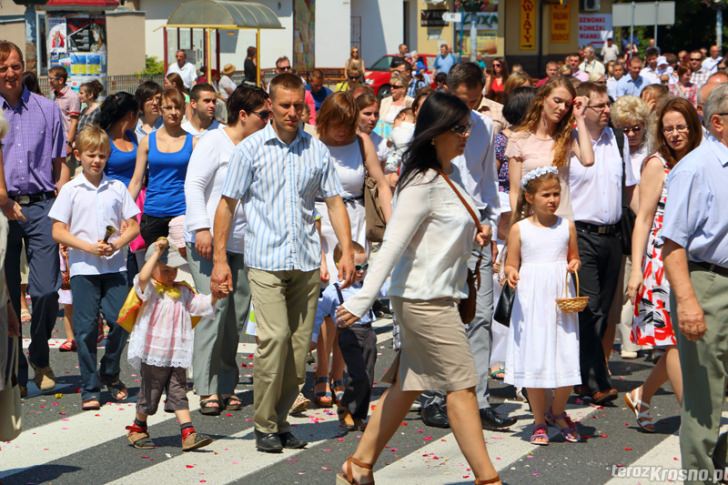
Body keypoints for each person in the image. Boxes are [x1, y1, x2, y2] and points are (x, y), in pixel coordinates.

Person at [335, 91, 501, 485]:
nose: (465, 135)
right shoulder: (420, 183)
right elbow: (393, 244)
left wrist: (476, 235)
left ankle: (358, 466)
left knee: (408, 386)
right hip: (422, 300)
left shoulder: (454, 175)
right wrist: (361, 299)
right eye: (458, 128)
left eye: (467, 127)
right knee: (462, 385)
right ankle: (488, 479)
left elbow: (443, 232)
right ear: (434, 133)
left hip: (441, 295)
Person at [211, 73, 355, 453]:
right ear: (270, 107)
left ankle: (280, 419)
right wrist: (220, 259)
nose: (293, 112)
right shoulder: (251, 149)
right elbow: (227, 205)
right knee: (273, 339)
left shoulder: (316, 150)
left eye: (298, 106)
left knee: (296, 347)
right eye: (285, 105)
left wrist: (346, 248)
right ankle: (264, 424)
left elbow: (335, 201)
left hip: (305, 259)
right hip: (265, 259)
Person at [417, 63, 515, 432]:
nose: (468, 110)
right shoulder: (431, 124)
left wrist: (491, 222)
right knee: (441, 316)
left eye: (474, 101)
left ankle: (480, 398)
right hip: (440, 231)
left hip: (477, 231)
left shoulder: (485, 128)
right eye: (462, 101)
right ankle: (434, 395)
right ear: (447, 90)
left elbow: (488, 180)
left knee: (480, 316)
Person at [184, 85, 269, 416]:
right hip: (208, 243)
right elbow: (193, 185)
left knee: (234, 315)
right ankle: (206, 386)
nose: (268, 119)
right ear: (243, 115)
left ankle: (226, 382)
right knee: (213, 310)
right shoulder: (213, 142)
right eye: (264, 114)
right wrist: (200, 227)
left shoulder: (258, 145)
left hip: (244, 243)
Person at [659, 84, 728, 483]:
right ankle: (699, 478)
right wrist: (687, 301)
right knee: (704, 400)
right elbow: (674, 245)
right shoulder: (695, 168)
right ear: (717, 123)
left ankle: (718, 458)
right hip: (706, 282)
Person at [49, 126, 140, 410]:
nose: (96, 161)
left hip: (114, 267)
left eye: (102, 155)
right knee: (86, 329)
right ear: (78, 155)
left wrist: (118, 242)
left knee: (123, 321)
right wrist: (87, 247)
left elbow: (134, 224)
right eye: (91, 155)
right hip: (83, 268)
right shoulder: (71, 190)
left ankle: (109, 370)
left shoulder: (116, 188)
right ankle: (90, 388)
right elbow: (58, 231)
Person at [624, 97, 701, 433]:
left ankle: (642, 394)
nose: (674, 134)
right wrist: (637, 269)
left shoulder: (702, 160)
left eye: (680, 127)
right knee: (673, 341)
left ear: (693, 127)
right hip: (660, 259)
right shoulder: (656, 164)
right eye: (668, 128)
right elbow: (642, 219)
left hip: (695, 257)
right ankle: (695, 422)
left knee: (685, 339)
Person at [314, 92, 393, 406]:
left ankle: (338, 373)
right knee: (325, 307)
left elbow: (381, 183)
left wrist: (394, 226)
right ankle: (321, 373)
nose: (343, 132)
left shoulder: (362, 143)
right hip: (320, 224)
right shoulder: (313, 144)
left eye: (348, 124)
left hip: (355, 223)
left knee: (349, 302)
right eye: (337, 125)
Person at [0, 41, 70, 396]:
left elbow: (61, 164)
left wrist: (65, 207)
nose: (11, 73)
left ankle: (39, 354)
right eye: (3, 68)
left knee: (45, 290)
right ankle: (16, 369)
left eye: (15, 66)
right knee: (9, 294)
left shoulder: (46, 109)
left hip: (42, 205)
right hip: (2, 209)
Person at [568, 82, 638, 404]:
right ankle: (595, 379)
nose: (607, 110)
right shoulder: (569, 140)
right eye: (600, 106)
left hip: (612, 235)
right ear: (583, 108)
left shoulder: (618, 138)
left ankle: (583, 376)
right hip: (581, 234)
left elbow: (627, 190)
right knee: (590, 308)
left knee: (605, 311)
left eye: (608, 104)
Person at [504, 166, 582, 445]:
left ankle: (558, 410)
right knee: (535, 358)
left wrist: (574, 263)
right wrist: (511, 272)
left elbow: (574, 256)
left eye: (556, 194)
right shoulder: (520, 229)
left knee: (567, 355)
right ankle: (539, 420)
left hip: (560, 296)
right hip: (532, 298)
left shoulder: (567, 226)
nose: (552, 200)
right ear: (530, 197)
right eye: (546, 194)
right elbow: (512, 262)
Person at [124, 238, 215, 451]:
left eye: (174, 270)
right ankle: (138, 427)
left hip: (177, 353)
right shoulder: (149, 290)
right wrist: (156, 253)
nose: (171, 274)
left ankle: (188, 432)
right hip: (154, 351)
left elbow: (199, 305)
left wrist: (216, 296)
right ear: (152, 267)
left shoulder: (183, 291)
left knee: (178, 391)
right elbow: (143, 277)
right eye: (165, 270)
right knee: (150, 392)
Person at [506, 78, 594, 219]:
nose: (562, 108)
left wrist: (580, 117)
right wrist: (519, 223)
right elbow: (515, 191)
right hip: (531, 223)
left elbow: (588, 160)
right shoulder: (519, 139)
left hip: (563, 221)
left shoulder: (567, 137)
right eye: (557, 101)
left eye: (567, 104)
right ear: (542, 99)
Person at [608, 95, 652, 360]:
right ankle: (629, 341)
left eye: (637, 127)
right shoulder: (614, 148)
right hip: (623, 223)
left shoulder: (652, 153)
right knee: (626, 286)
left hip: (647, 222)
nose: (632, 133)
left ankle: (645, 335)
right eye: (626, 128)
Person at [314, 242, 375, 431]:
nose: (361, 271)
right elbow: (319, 313)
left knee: (368, 377)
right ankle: (345, 405)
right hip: (348, 334)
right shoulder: (335, 290)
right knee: (359, 376)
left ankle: (359, 415)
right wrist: (314, 337)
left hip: (369, 333)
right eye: (357, 267)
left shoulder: (368, 286)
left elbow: (387, 290)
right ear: (341, 264)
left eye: (365, 267)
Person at [129, 88, 196, 245]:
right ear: (160, 110)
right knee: (155, 266)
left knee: (179, 267)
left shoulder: (194, 143)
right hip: (153, 212)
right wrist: (124, 211)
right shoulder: (147, 141)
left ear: (184, 110)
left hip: (182, 212)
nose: (174, 112)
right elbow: (136, 181)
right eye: (168, 108)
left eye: (177, 107)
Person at [100, 92, 139, 188]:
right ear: (131, 115)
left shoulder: (132, 136)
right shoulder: (103, 139)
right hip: (112, 195)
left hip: (135, 196)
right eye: (138, 114)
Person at [49, 66, 80, 156]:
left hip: (66, 141)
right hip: (56, 140)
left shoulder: (72, 96)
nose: (49, 81)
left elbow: (74, 122)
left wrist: (69, 143)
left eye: (51, 79)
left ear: (61, 80)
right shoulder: (54, 94)